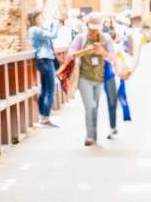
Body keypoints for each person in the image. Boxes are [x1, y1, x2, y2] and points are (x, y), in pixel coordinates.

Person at [67, 11, 114, 147]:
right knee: (90, 107)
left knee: (96, 108)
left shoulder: (106, 38)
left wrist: (102, 52)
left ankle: (94, 135)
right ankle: (89, 136)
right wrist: (84, 51)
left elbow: (112, 57)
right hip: (84, 78)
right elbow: (70, 55)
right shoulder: (80, 38)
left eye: (96, 29)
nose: (93, 32)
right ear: (87, 26)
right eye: (91, 29)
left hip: (100, 79)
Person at [27, 9, 59, 127]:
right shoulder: (35, 30)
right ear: (35, 18)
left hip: (43, 59)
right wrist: (55, 24)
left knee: (45, 88)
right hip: (45, 59)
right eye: (40, 16)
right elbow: (53, 35)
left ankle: (42, 116)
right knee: (50, 88)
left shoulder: (35, 29)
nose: (42, 18)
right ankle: (45, 117)